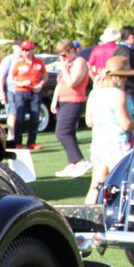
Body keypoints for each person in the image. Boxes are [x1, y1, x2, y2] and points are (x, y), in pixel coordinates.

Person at [84, 54, 134, 204]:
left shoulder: (94, 93)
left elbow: (89, 121)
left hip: (99, 142)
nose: (126, 80)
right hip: (118, 144)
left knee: (96, 185)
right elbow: (125, 124)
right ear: (117, 77)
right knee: (120, 183)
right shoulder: (118, 94)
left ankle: (89, 219)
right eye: (123, 76)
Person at [52, 40, 91, 177]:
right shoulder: (68, 63)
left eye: (64, 55)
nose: (62, 58)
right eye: (60, 55)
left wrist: (63, 67)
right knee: (68, 132)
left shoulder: (79, 62)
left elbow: (72, 82)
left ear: (72, 51)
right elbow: (60, 83)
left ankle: (80, 161)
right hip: (64, 101)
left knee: (62, 132)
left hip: (75, 101)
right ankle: (72, 163)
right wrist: (54, 100)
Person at [7, 39, 46, 150]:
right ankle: (18, 142)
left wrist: (41, 84)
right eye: (24, 50)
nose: (26, 52)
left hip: (35, 92)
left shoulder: (39, 62)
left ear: (33, 50)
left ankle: (31, 142)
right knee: (20, 118)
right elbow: (10, 78)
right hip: (21, 91)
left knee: (35, 117)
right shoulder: (18, 63)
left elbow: (44, 75)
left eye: (28, 50)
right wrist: (21, 83)